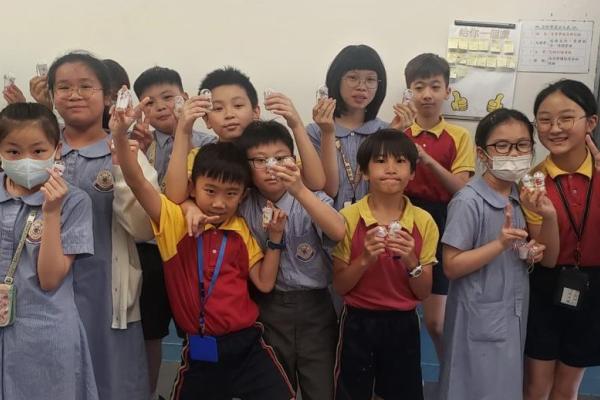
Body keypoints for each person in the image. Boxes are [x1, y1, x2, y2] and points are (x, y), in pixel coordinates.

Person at [111, 99, 295, 398]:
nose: (220, 203)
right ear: (192, 186)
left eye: (231, 194)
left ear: (242, 196)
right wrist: (120, 136)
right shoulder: (174, 223)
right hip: (200, 348)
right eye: (210, 190)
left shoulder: (240, 230)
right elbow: (138, 183)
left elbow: (263, 282)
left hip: (248, 345)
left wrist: (275, 238)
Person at [47, 50, 158, 400]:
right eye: (64, 87)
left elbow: (144, 228)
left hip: (108, 296)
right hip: (46, 293)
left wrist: (122, 164)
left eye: (86, 86)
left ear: (107, 96)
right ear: (51, 95)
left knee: (113, 385)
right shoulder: (39, 151)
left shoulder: (126, 151)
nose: (75, 95)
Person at [438, 108, 559, 400]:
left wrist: (546, 220)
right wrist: (499, 245)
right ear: (482, 154)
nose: (514, 153)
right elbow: (451, 266)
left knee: (503, 389)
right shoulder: (468, 201)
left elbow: (544, 255)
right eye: (502, 146)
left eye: (522, 145)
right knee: (468, 388)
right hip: (476, 318)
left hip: (511, 314)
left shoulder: (519, 196)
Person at [235, 120, 345, 399]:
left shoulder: (311, 197)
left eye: (281, 158)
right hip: (268, 307)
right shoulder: (243, 205)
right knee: (273, 387)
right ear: (247, 167)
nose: (271, 167)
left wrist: (300, 191)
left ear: (294, 161)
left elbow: (338, 231)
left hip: (315, 307)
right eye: (260, 160)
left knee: (321, 387)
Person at [0, 102, 97, 399]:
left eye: (38, 151)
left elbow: (51, 279)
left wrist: (51, 212)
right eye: (13, 152)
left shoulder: (74, 201)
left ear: (57, 150)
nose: (26, 161)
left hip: (44, 333)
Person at [332, 129, 439, 400]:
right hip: (357, 320)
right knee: (352, 393)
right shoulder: (348, 217)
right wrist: (364, 259)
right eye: (380, 161)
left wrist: (411, 260)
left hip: (403, 322)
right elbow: (340, 286)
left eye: (400, 161)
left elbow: (423, 292)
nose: (391, 168)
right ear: (365, 171)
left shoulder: (424, 221)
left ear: (412, 173)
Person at [395, 53, 475, 359]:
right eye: (419, 87)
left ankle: (449, 372)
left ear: (447, 91)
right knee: (396, 309)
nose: (427, 94)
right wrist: (396, 133)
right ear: (409, 92)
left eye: (434, 86)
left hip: (443, 221)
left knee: (436, 322)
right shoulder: (398, 132)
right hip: (400, 217)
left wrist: (426, 160)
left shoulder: (459, 136)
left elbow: (462, 188)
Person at [524, 79, 600, 400]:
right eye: (545, 120)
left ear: (590, 122)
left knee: (568, 387)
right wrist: (549, 216)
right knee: (536, 386)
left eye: (566, 118)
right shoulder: (532, 180)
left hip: (593, 286)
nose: (554, 128)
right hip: (546, 284)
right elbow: (547, 257)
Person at [164, 67, 324, 205]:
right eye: (218, 108)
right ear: (206, 120)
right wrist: (183, 130)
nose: (229, 114)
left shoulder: (272, 153)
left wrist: (296, 124)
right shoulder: (203, 157)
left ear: (255, 112)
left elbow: (316, 182)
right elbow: (175, 197)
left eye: (238, 105)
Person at [307, 44, 388, 211]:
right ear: (337, 80)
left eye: (370, 80)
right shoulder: (315, 131)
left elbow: (386, 189)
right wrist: (328, 132)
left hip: (373, 224)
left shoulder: (385, 130)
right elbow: (329, 190)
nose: (362, 86)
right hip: (328, 222)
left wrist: (393, 134)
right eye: (353, 77)